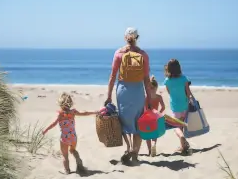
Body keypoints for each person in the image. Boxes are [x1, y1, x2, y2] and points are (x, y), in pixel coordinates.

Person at [105, 27, 152, 164]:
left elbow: (113, 76)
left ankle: (129, 147)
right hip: (137, 91)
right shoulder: (143, 55)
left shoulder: (119, 53)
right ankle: (135, 154)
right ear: (137, 38)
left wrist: (108, 96)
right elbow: (146, 79)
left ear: (125, 37)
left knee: (124, 122)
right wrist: (149, 98)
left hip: (123, 90)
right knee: (139, 122)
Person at [43, 92, 98, 174]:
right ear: (70, 103)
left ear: (60, 103)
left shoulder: (60, 114)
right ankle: (78, 160)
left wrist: (46, 130)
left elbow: (53, 124)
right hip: (73, 137)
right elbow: (84, 113)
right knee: (73, 150)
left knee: (65, 156)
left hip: (64, 138)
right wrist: (95, 112)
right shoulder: (73, 112)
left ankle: (67, 171)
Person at [164, 59, 194, 153]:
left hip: (175, 106)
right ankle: (183, 146)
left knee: (176, 126)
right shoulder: (184, 78)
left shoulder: (167, 81)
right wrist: (192, 100)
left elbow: (169, 93)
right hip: (184, 105)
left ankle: (181, 139)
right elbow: (188, 92)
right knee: (183, 125)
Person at [145, 75, 165, 157]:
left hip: (147, 118)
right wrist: (159, 113)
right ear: (157, 87)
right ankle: (154, 144)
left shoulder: (146, 97)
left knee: (147, 134)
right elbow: (163, 107)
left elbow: (144, 108)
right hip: (155, 118)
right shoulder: (159, 97)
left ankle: (150, 150)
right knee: (155, 133)